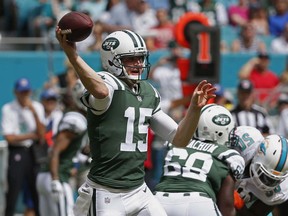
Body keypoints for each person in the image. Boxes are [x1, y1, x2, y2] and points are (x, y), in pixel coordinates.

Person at [55, 27, 216, 216]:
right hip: (106, 192)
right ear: (112, 59)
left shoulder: (148, 92)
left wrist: (194, 110)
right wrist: (73, 55)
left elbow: (179, 139)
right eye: (130, 59)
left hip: (139, 190)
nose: (138, 64)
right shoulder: (108, 83)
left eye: (140, 58)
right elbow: (101, 91)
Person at [154, 104, 245, 216]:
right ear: (220, 131)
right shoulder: (227, 155)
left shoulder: (174, 145)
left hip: (160, 200)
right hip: (198, 203)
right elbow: (226, 206)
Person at [36, 80, 88, 216]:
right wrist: (55, 179)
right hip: (56, 176)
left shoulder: (76, 118)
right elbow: (56, 150)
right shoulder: (76, 120)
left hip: (46, 175)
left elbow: (72, 150)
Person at [1, 78, 46, 216]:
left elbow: (42, 134)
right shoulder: (8, 109)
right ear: (16, 92)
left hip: (33, 151)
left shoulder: (37, 107)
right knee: (14, 187)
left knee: (36, 190)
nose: (24, 95)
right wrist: (31, 136)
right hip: (17, 151)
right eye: (22, 92)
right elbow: (9, 137)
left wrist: (33, 112)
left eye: (27, 92)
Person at [228, 126, 288, 215]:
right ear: (258, 154)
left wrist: (239, 205)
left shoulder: (281, 190)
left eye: (274, 180)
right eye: (264, 176)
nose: (267, 183)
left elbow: (255, 214)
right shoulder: (245, 142)